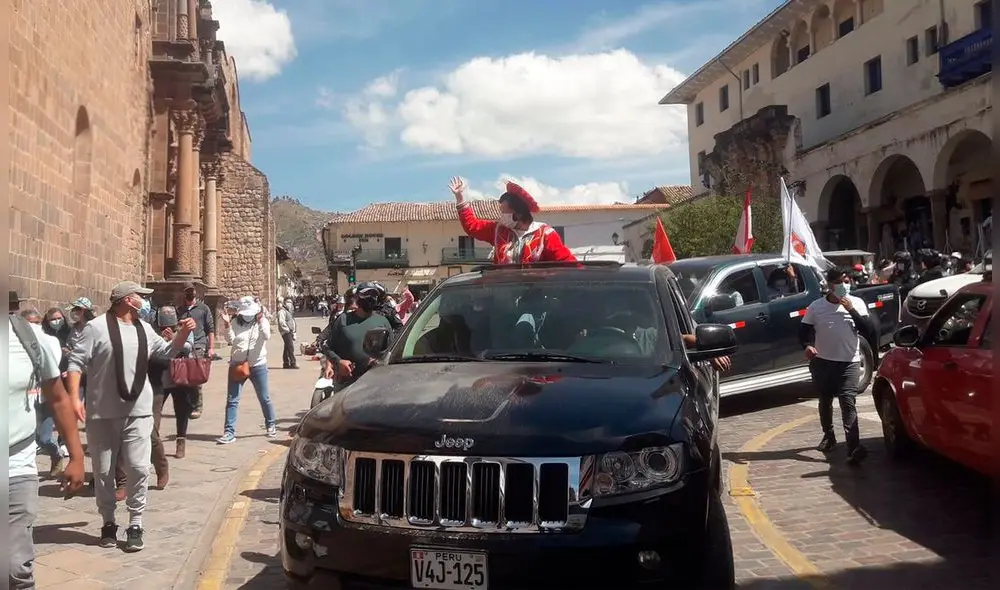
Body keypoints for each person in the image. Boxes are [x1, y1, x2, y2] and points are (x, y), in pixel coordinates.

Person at [66, 281, 196, 552]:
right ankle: (109, 521)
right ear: (126, 300)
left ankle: (136, 521)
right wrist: (74, 398)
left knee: (138, 468)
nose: (144, 301)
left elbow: (168, 352)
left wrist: (182, 334)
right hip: (103, 412)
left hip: (138, 409)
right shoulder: (96, 328)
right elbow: (76, 362)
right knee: (103, 472)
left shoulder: (145, 329)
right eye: (139, 296)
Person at [8, 306, 86, 589]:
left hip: (16, 466)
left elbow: (58, 398)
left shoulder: (26, 336)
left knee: (15, 567)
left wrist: (76, 456)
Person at [799, 267, 875, 466]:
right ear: (831, 285)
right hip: (823, 362)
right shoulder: (816, 307)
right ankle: (829, 435)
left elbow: (868, 329)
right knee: (825, 400)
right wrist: (808, 346)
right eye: (841, 282)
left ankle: (853, 447)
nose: (845, 285)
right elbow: (804, 331)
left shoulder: (856, 303)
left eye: (847, 280)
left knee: (848, 401)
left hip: (849, 361)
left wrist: (850, 309)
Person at [449, 176, 577, 264]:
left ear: (519, 214)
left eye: (504, 212)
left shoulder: (545, 234)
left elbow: (568, 264)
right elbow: (472, 226)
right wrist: (460, 198)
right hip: (502, 297)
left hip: (535, 298)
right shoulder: (498, 230)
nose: (501, 216)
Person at [217, 296, 278, 444]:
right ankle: (229, 432)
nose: (247, 317)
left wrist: (261, 319)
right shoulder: (235, 322)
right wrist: (226, 325)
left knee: (264, 397)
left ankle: (270, 424)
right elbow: (230, 339)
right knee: (232, 400)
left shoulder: (261, 321)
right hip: (238, 364)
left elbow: (266, 336)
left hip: (258, 364)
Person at [320, 282, 395, 390]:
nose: (370, 298)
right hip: (346, 383)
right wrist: (339, 361)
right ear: (357, 297)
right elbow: (328, 347)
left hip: (375, 382)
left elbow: (392, 350)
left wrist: (380, 361)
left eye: (374, 296)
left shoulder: (382, 321)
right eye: (366, 295)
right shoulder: (343, 320)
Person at [177, 282, 214, 419]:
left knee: (195, 377)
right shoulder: (179, 310)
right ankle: (187, 404)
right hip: (183, 345)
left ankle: (197, 405)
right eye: (187, 291)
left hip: (198, 345)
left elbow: (210, 329)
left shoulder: (203, 308)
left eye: (192, 291)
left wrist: (211, 347)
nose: (190, 293)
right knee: (182, 377)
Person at [277, 297, 299, 369]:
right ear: (285, 303)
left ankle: (286, 363)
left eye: (290, 302)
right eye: (288, 302)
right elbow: (281, 322)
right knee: (290, 347)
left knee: (287, 347)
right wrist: (287, 329)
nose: (290, 304)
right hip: (285, 332)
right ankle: (293, 363)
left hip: (289, 331)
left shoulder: (288, 311)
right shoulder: (282, 311)